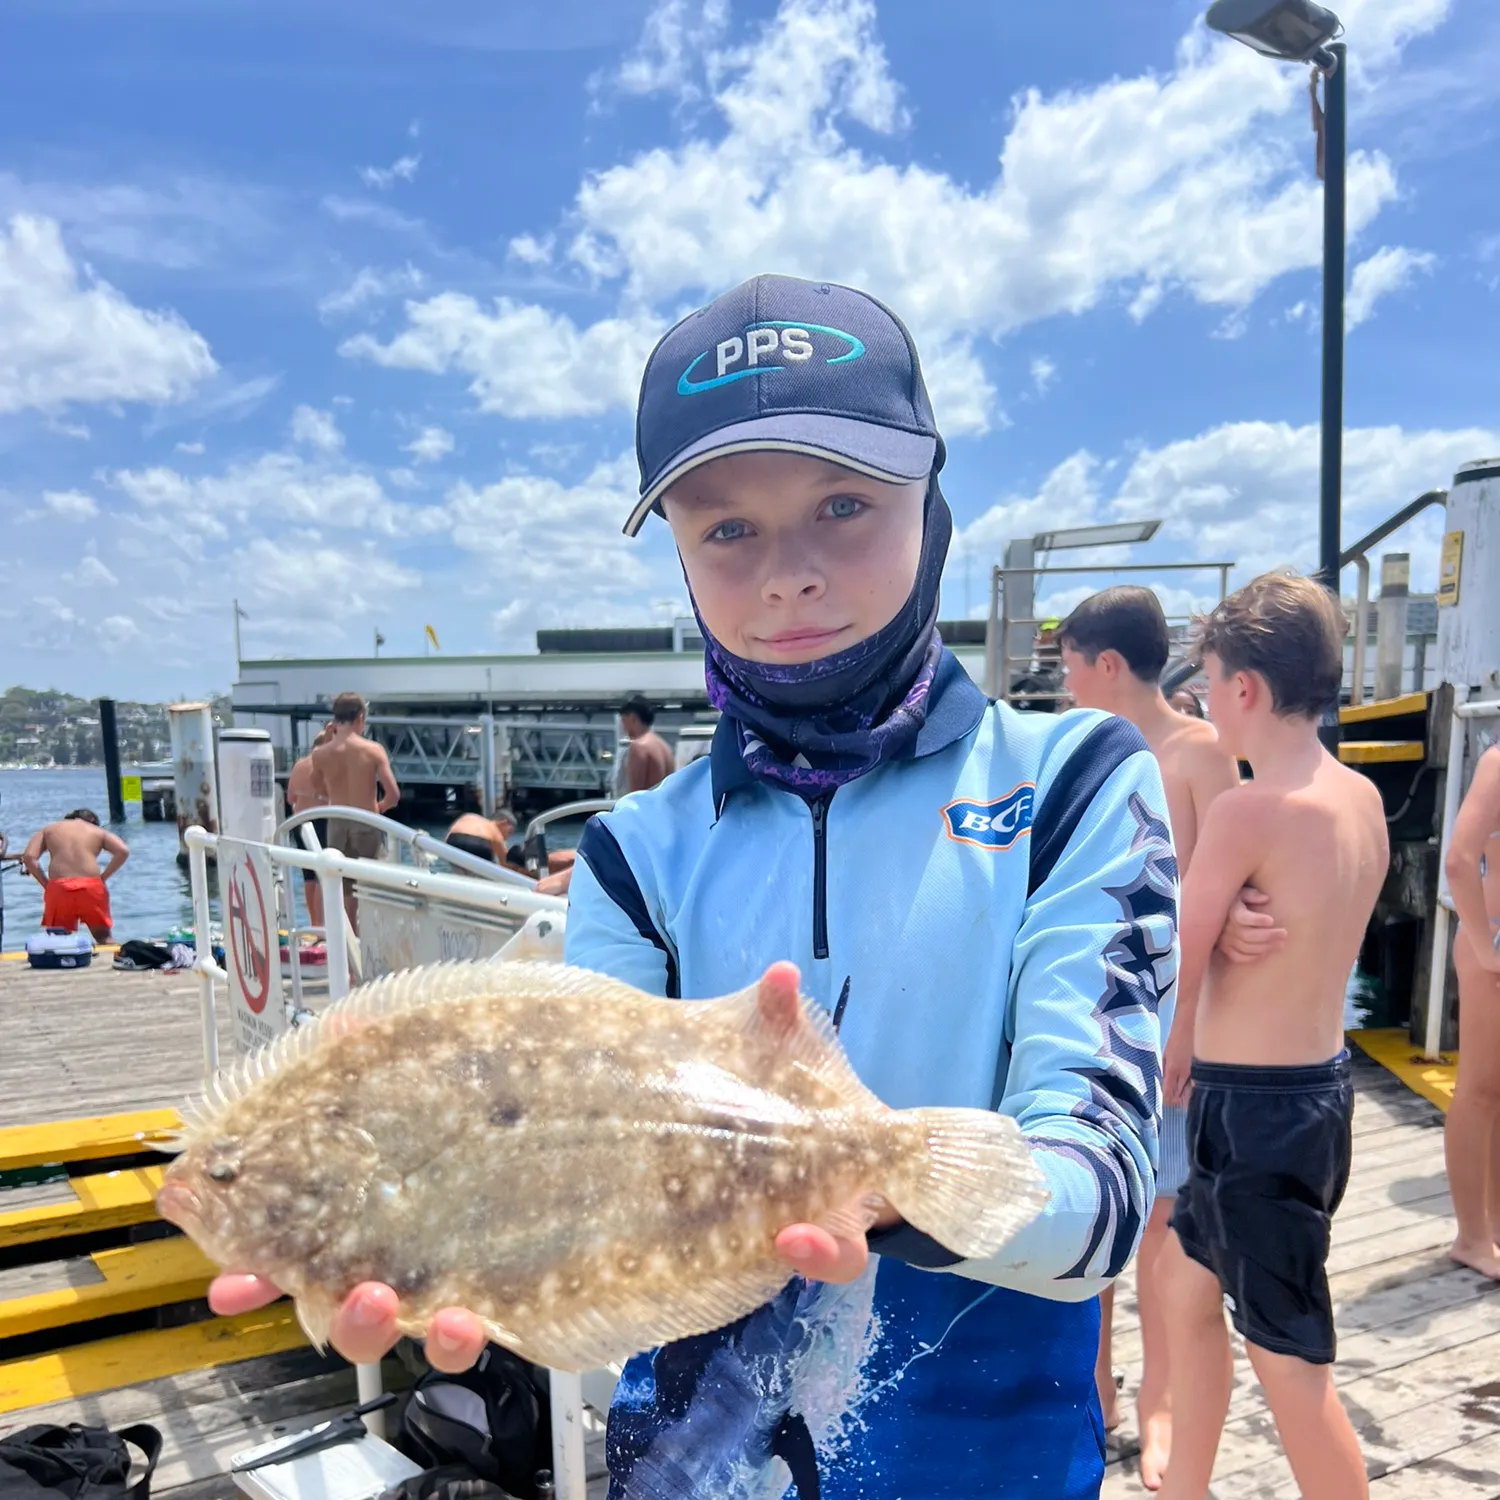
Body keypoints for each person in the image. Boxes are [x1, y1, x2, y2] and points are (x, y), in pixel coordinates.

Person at [209, 273, 1181, 1495]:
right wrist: (432, 1225)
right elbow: (582, 1153)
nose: (787, 574)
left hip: (988, 1461)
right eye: (726, 529)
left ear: (932, 506)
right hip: (690, 1465)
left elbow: (1103, 1191)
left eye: (843, 504)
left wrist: (883, 1180)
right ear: (677, 551)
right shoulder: (635, 851)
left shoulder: (1079, 782)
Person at [1157, 571, 1388, 1500]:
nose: (1206, 703)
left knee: (1288, 1358)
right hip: (1315, 1093)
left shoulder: (1250, 809)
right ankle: (1187, 1488)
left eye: (1209, 684)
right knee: (1180, 1284)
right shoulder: (1358, 800)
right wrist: (1229, 937)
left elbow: (1178, 945)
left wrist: (1207, 953)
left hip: (1247, 1109)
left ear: (1244, 689)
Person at [1058, 585, 1242, 1489]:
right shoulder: (1085, 754)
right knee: (1095, 1226)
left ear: (1107, 665)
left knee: (1164, 1238)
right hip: (1098, 1025)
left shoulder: (1200, 753)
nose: (1063, 685)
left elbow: (1236, 885)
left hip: (1179, 1034)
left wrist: (1196, 1030)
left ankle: (1161, 1406)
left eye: (1068, 666)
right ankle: (1097, 1390)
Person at [1441, 741, 1500, 1278]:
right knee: (1479, 1089)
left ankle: (1495, 1225)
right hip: (1496, 946)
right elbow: (1460, 859)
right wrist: (1487, 948)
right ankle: (1472, 1235)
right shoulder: (1498, 763)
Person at [309, 692, 400, 932]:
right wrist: (377, 808)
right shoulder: (372, 750)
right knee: (373, 888)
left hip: (337, 824)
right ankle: (372, 945)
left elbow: (318, 790)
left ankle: (350, 956)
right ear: (360, 717)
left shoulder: (321, 754)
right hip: (365, 823)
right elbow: (393, 795)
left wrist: (329, 740)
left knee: (344, 892)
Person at [21, 809, 130, 943]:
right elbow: (123, 851)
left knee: (58, 937)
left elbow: (29, 857)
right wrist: (103, 877)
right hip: (91, 886)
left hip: (59, 887)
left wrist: (46, 884)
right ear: (92, 821)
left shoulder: (49, 829)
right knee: (103, 936)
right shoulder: (97, 831)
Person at [286, 725, 333, 929]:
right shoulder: (325, 766)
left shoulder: (299, 765)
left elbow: (290, 797)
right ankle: (321, 924)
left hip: (299, 822)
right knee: (322, 873)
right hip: (321, 820)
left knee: (308, 876)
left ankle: (314, 922)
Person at [618, 695, 675, 794]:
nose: (623, 727)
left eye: (623, 720)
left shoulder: (639, 747)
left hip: (647, 808)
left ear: (633, 718)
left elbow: (635, 795)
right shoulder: (664, 746)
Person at [444, 810, 518, 869]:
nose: (507, 838)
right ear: (503, 823)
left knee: (460, 869)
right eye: (509, 832)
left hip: (453, 841)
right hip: (479, 844)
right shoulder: (493, 828)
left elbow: (450, 832)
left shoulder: (469, 816)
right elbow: (505, 862)